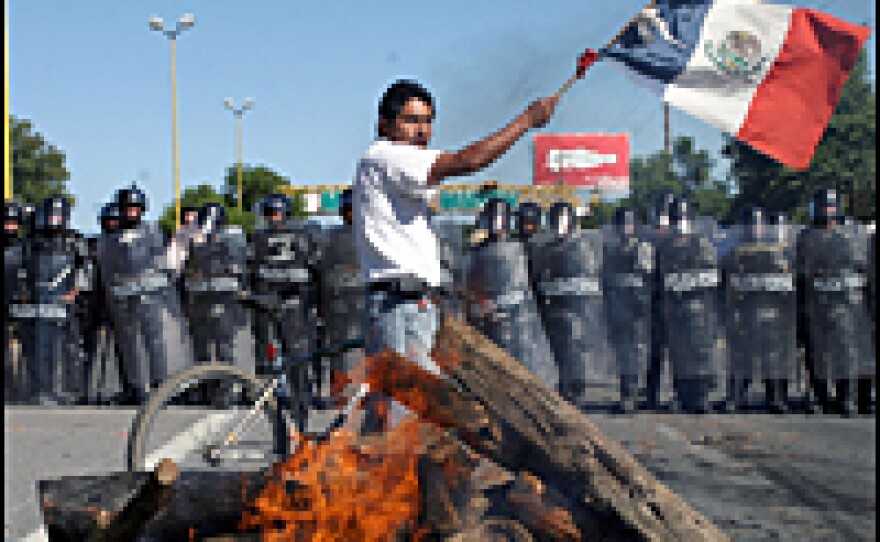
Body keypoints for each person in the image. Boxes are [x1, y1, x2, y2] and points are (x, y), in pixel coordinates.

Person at [353, 78, 565, 430]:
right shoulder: (389, 156)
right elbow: (469, 161)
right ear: (384, 124)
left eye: (428, 121)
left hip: (409, 304)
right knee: (407, 421)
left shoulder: (390, 165)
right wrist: (526, 121)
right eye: (411, 120)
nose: (422, 131)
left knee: (399, 416)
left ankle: (369, 481)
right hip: (400, 307)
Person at [98, 185, 193, 404]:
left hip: (151, 298)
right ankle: (137, 388)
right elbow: (108, 268)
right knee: (131, 346)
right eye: (127, 208)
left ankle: (162, 387)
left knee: (156, 343)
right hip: (123, 301)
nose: (131, 212)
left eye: (135, 208)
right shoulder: (111, 237)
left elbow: (161, 263)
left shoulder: (153, 231)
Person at [797, 188, 874, 416]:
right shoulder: (807, 237)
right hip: (817, 302)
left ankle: (847, 399)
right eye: (823, 206)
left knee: (846, 351)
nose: (827, 211)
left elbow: (863, 269)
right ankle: (821, 399)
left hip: (847, 302)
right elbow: (801, 273)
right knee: (816, 354)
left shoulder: (851, 235)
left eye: (830, 206)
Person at [722, 207, 797, 413]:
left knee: (773, 356)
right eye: (751, 224)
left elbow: (792, 281)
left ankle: (776, 398)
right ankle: (736, 396)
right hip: (746, 310)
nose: (755, 229)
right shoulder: (736, 253)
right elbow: (726, 281)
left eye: (759, 224)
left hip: (774, 310)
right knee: (741, 356)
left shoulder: (779, 251)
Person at [17, 196, 89, 405]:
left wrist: (76, 291)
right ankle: (40, 389)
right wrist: (24, 293)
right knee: (38, 347)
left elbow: (85, 268)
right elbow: (23, 270)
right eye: (51, 214)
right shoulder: (33, 242)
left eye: (58, 215)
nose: (54, 219)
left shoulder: (75, 240)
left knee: (68, 348)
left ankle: (69, 390)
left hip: (65, 304)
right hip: (39, 303)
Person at [604, 206, 654, 413]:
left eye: (630, 223)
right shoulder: (612, 249)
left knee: (636, 352)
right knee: (623, 353)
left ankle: (633, 394)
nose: (626, 228)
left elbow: (648, 278)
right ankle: (627, 392)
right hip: (619, 307)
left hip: (638, 309)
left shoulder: (642, 248)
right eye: (623, 223)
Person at [5, 202, 26, 403]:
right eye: (6, 223)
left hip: (21, 307)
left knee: (21, 353)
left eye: (13, 223)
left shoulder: (25, 249)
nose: (9, 228)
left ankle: (18, 391)